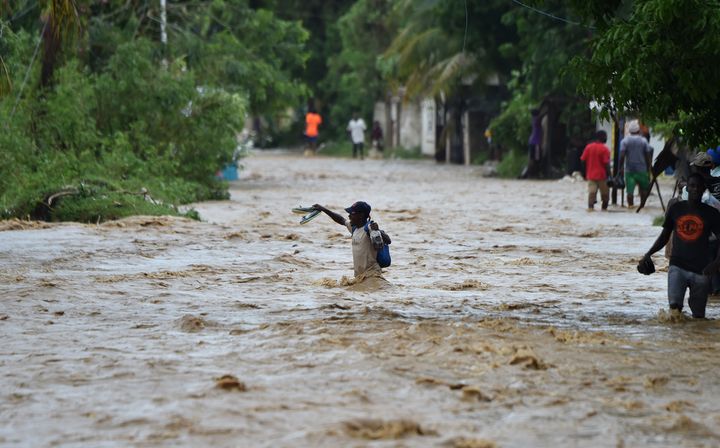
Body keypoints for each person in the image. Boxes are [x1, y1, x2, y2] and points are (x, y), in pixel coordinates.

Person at [639, 173, 720, 318]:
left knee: (699, 316)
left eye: (698, 186)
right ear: (687, 188)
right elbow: (664, 236)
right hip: (677, 266)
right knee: (674, 310)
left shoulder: (712, 214)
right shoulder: (676, 209)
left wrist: (716, 263)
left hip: (701, 270)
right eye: (692, 186)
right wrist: (648, 253)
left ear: (704, 189)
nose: (695, 189)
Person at [312, 201, 391, 279]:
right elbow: (341, 220)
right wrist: (323, 209)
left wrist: (378, 231)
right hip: (360, 278)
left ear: (361, 215)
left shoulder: (369, 229)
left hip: (372, 276)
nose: (349, 216)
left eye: (352, 214)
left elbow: (388, 240)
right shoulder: (354, 229)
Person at [618, 120, 653, 207]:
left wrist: (620, 168)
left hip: (629, 170)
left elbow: (622, 156)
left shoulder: (625, 141)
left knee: (630, 191)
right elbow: (648, 155)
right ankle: (642, 206)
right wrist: (649, 168)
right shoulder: (643, 141)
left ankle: (630, 206)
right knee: (644, 190)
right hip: (642, 169)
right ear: (638, 131)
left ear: (629, 131)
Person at [580, 130, 611, 211]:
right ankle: (604, 210)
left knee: (591, 194)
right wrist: (610, 175)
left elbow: (582, 160)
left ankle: (590, 209)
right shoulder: (604, 149)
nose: (606, 138)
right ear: (602, 137)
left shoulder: (588, 147)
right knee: (605, 196)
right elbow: (606, 164)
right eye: (605, 137)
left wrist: (584, 172)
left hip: (591, 176)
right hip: (602, 176)